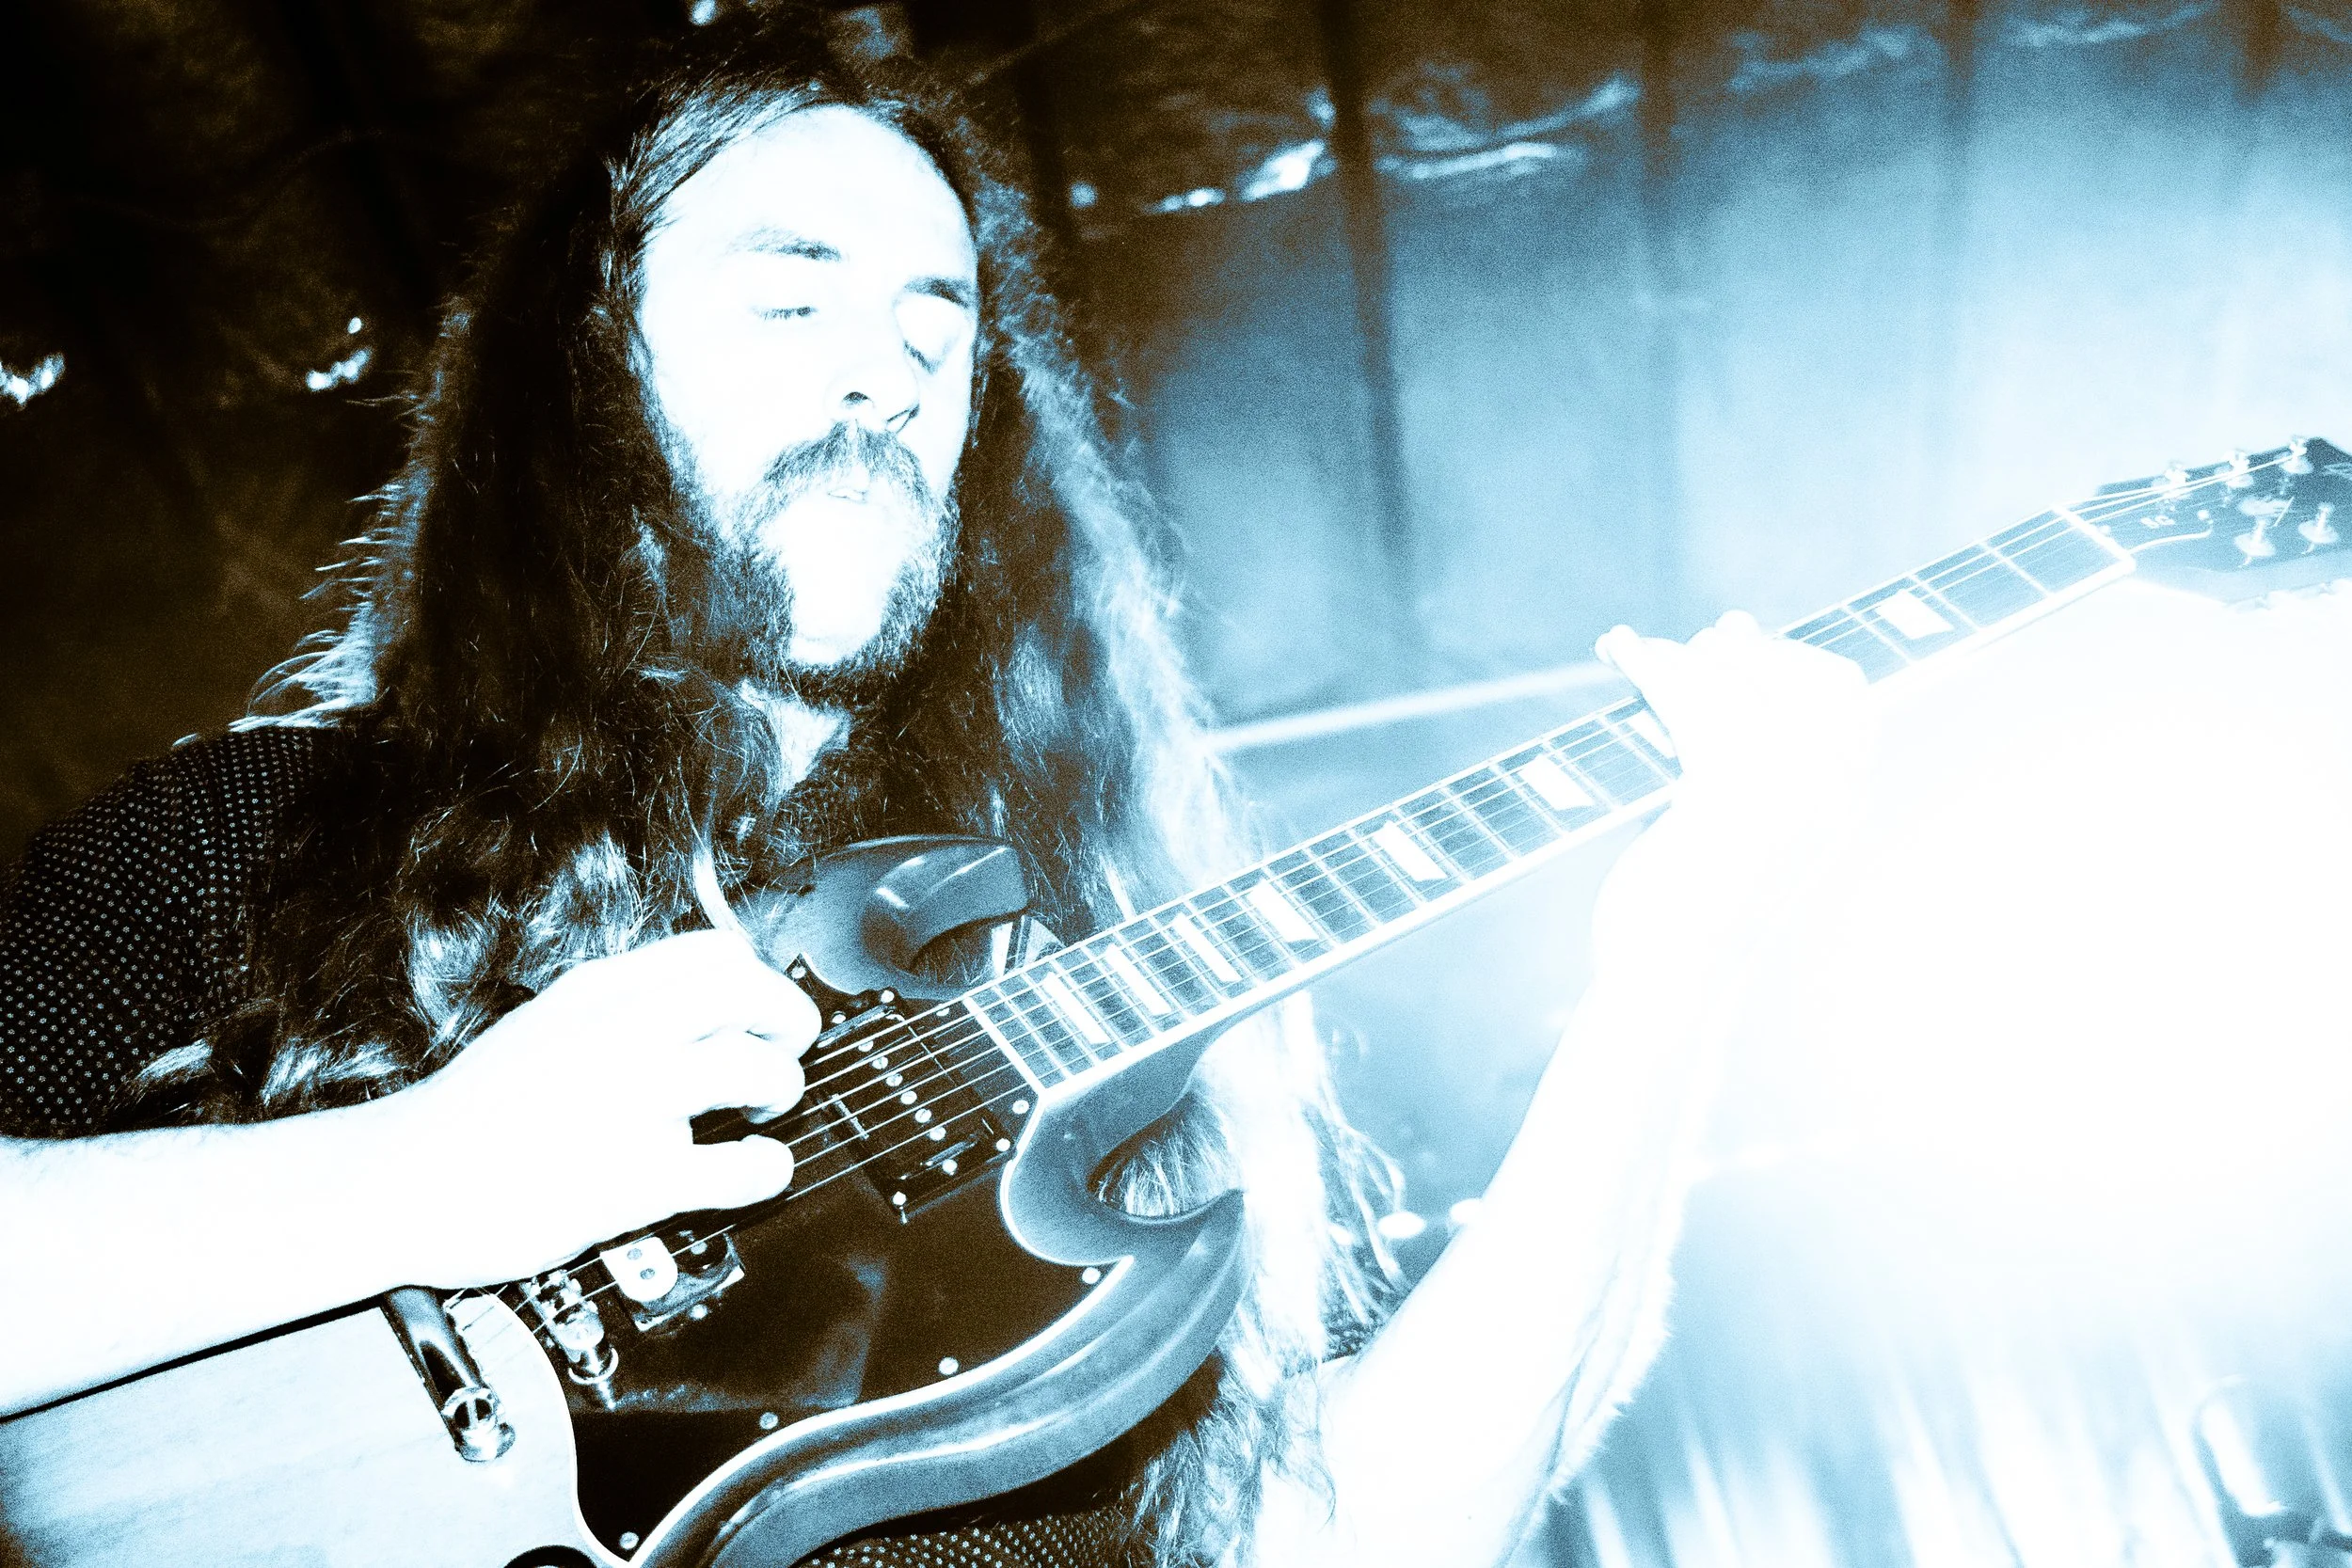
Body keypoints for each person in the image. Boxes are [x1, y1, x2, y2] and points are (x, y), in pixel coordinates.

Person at [0, 9, 1867, 1565]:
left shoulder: (1059, 982)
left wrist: (1677, 966)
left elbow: (1357, 1531)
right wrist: (422, 1172)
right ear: (586, 370)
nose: (884, 373)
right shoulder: (265, 830)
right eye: (789, 301)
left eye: (931, 322)